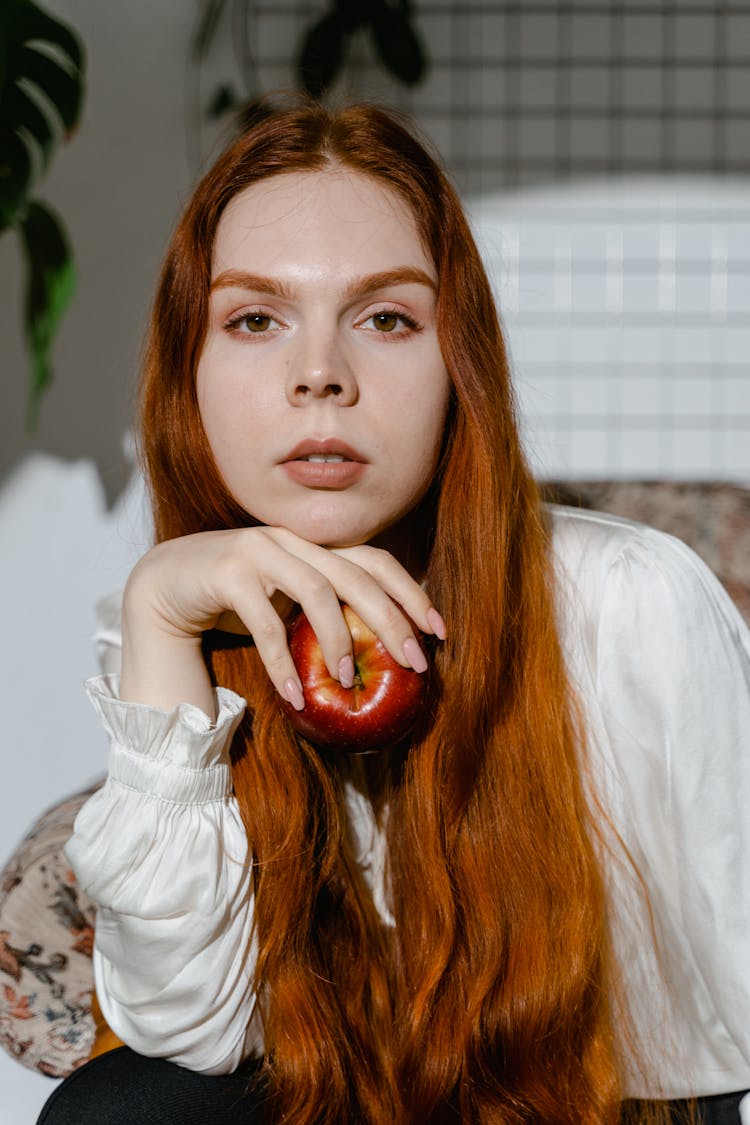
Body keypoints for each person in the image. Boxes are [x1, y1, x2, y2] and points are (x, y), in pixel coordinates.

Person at [38, 101, 750, 1125]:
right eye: (254, 319)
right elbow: (187, 1032)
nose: (320, 374)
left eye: (386, 318)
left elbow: (715, 1046)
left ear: (458, 368)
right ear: (187, 381)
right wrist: (157, 614)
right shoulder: (188, 617)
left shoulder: (628, 603)